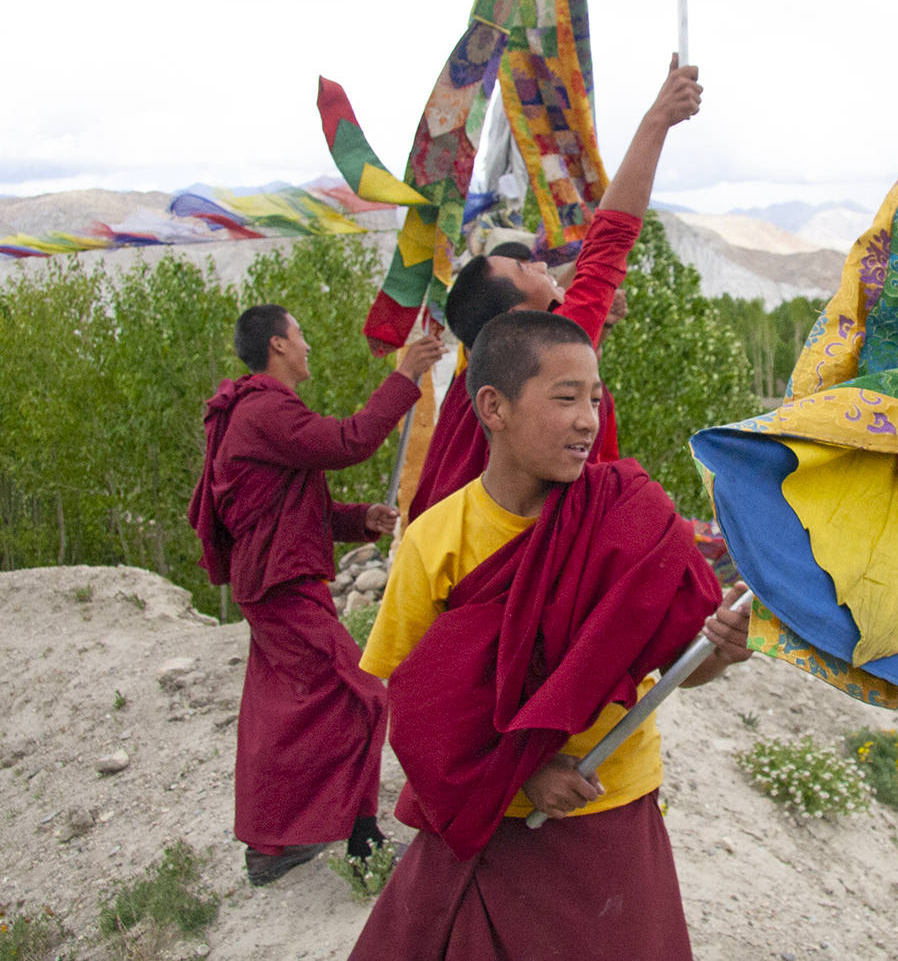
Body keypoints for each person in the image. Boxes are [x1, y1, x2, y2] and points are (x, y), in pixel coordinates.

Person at [350, 310, 751, 960]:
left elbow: (682, 665)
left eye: (594, 397)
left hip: (609, 811)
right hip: (490, 824)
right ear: (495, 407)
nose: (588, 419)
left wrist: (719, 650)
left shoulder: (630, 515)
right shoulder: (437, 541)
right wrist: (524, 771)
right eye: (565, 398)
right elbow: (416, 706)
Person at [188, 304, 445, 886]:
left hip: (276, 577)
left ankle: (271, 848)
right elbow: (349, 441)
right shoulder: (262, 410)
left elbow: (294, 508)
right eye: (301, 335)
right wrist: (405, 377)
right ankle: (362, 842)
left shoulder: (254, 414)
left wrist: (360, 520)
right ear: (278, 345)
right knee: (363, 697)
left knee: (277, 718)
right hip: (281, 585)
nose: (307, 346)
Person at [404, 54, 703, 521]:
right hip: (559, 554)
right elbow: (608, 243)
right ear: (516, 319)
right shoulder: (548, 345)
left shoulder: (475, 385)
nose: (542, 264)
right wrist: (657, 119)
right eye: (528, 272)